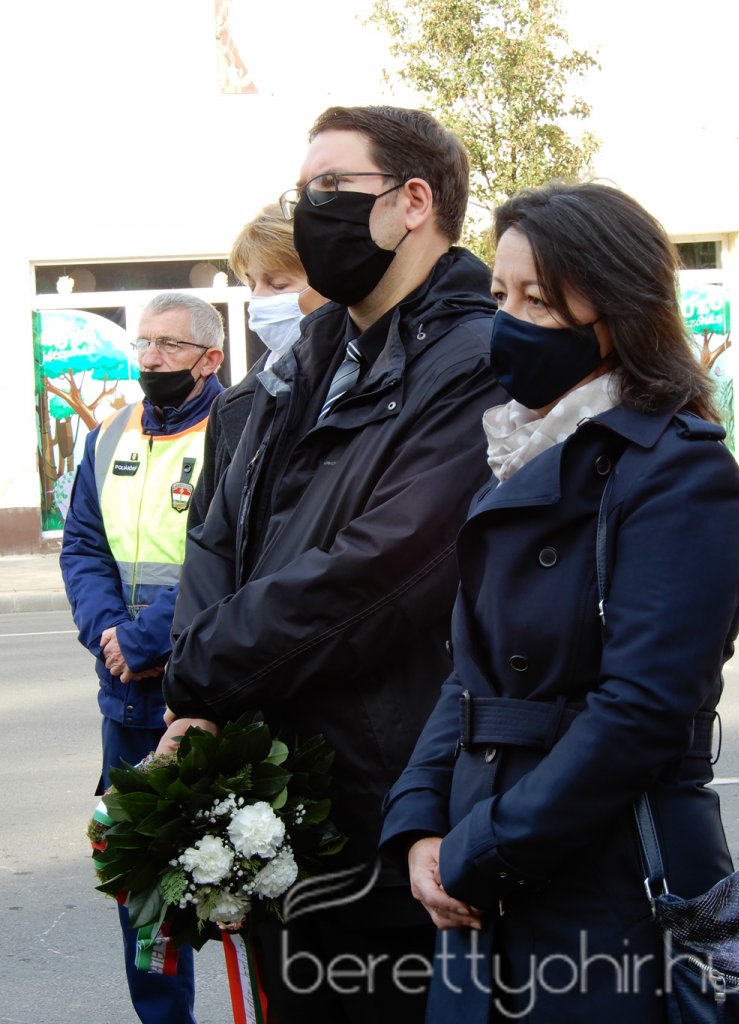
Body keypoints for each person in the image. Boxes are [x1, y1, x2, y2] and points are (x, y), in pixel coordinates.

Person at [156, 104, 507, 1023]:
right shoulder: (303, 359)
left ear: (413, 202)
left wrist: (200, 671)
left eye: (329, 190)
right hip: (279, 792)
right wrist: (198, 700)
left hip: (385, 813)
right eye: (299, 192)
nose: (308, 211)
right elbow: (217, 537)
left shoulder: (475, 362)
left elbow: (382, 572)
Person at [378, 180, 739, 1022]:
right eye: (499, 296)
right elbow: (469, 677)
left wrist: (479, 851)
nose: (507, 322)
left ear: (617, 315)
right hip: (486, 878)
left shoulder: (678, 469)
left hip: (609, 880)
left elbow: (642, 712)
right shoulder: (522, 450)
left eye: (538, 302)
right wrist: (417, 828)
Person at [60, 292, 224, 1024]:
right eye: (144, 345)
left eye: (169, 347)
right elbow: (83, 547)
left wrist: (149, 636)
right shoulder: (111, 433)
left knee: (245, 874)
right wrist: (107, 633)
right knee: (143, 888)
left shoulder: (237, 431)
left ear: (211, 359)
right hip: (124, 696)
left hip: (206, 693)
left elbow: (233, 560)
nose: (150, 360)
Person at [188, 203, 326, 528]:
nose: (260, 301)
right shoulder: (233, 406)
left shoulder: (370, 385)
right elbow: (206, 530)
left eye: (278, 285)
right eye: (252, 285)